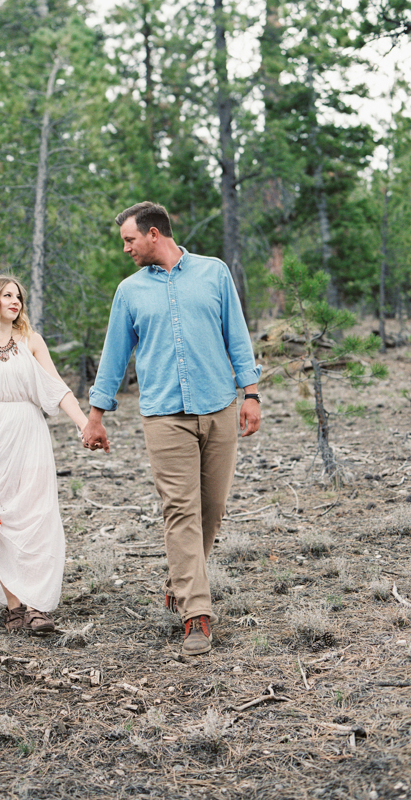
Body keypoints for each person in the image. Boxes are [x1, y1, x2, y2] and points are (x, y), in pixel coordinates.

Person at [81, 202, 261, 656]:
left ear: (154, 234)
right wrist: (96, 415)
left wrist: (252, 393)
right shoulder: (129, 292)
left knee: (212, 509)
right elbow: (114, 356)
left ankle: (180, 581)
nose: (125, 248)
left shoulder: (214, 273)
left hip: (219, 406)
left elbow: (236, 335)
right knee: (181, 510)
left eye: (129, 239)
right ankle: (196, 614)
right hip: (164, 416)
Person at [0, 274, 95, 635]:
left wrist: (84, 425)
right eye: (7, 295)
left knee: (36, 516)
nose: (15, 301)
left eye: (18, 296)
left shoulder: (31, 341)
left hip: (30, 434)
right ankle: (14, 605)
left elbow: (57, 389)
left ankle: (37, 606)